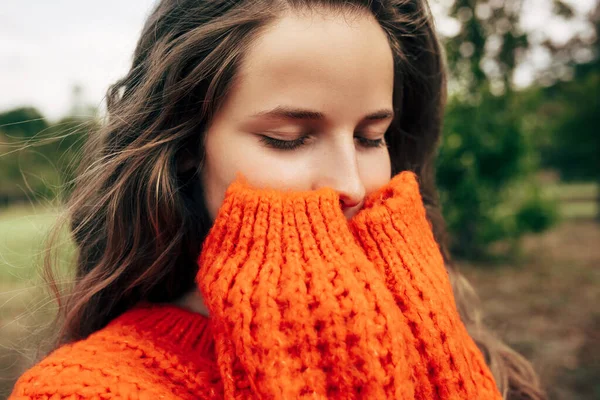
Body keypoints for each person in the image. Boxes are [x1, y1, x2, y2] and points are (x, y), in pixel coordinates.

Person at [9, 0, 545, 399]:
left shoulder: (431, 324)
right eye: (288, 139)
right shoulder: (85, 389)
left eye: (370, 137)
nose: (352, 186)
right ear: (187, 147)